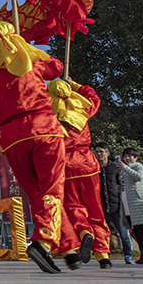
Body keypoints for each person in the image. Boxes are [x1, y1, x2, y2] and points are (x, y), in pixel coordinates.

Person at [0, 21, 65, 274]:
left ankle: (50, 241)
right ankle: (44, 240)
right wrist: (27, 48)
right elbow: (57, 67)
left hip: (11, 137)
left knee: (35, 191)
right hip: (44, 128)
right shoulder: (32, 61)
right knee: (51, 187)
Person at [49, 79, 111, 269]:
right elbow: (94, 97)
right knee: (96, 209)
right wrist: (75, 85)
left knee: (73, 207)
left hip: (65, 166)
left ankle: (85, 232)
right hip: (88, 165)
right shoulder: (81, 106)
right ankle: (103, 255)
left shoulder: (49, 113)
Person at [94, 143, 132, 263]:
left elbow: (123, 182)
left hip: (116, 205)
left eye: (101, 151)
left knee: (123, 232)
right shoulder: (94, 167)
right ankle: (105, 256)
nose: (99, 154)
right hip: (101, 205)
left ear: (107, 153)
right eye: (97, 152)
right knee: (103, 233)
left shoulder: (115, 167)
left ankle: (128, 255)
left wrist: (120, 187)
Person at [118, 148, 143, 264]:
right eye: (125, 156)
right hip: (127, 202)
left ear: (136, 157)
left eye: (130, 156)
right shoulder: (123, 169)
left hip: (137, 202)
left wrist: (125, 167)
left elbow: (140, 177)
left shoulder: (138, 166)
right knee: (135, 229)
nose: (127, 158)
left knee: (141, 228)